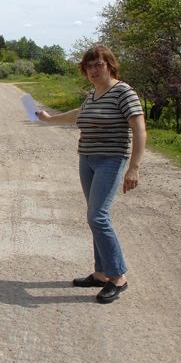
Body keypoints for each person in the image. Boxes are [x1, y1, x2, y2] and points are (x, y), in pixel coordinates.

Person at [35, 46, 146, 303]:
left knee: (98, 216)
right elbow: (79, 115)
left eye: (98, 65)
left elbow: (140, 130)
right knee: (94, 216)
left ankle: (118, 276)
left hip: (111, 160)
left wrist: (135, 167)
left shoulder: (123, 92)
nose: (93, 70)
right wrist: (50, 119)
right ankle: (101, 273)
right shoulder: (94, 93)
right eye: (89, 66)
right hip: (87, 159)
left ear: (110, 65)